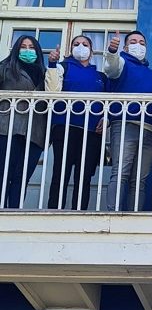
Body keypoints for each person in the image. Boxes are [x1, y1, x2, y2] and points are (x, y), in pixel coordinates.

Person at [104, 30, 152, 211]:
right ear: (126, 46)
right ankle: (112, 213)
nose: (138, 45)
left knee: (140, 179)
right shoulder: (122, 62)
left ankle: (134, 214)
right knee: (120, 173)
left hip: (150, 129)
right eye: (134, 41)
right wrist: (112, 52)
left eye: (142, 42)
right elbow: (111, 69)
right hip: (125, 124)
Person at [45, 36, 108, 210]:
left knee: (84, 176)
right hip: (65, 127)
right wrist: (51, 64)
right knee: (61, 172)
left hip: (91, 131)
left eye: (85, 44)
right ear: (71, 49)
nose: (81, 47)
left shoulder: (100, 76)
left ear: (92, 51)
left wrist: (106, 119)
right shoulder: (62, 67)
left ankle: (80, 213)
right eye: (76, 44)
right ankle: (54, 212)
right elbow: (52, 91)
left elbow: (108, 104)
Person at [0, 36, 50, 208]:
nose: (27, 50)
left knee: (22, 176)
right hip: (8, 128)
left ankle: (14, 211)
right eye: (23, 47)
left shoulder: (44, 73)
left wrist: (53, 66)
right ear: (16, 49)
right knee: (4, 173)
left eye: (31, 47)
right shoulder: (5, 68)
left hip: (35, 133)